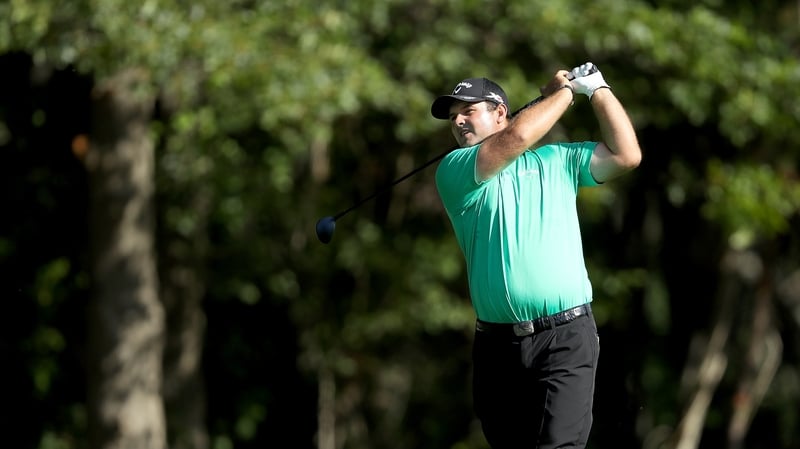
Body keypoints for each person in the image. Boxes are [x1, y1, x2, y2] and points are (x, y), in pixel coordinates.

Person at [430, 63, 642, 449]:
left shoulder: (557, 161)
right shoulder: (455, 169)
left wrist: (596, 89)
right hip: (497, 348)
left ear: (499, 112)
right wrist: (562, 93)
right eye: (452, 116)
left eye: (468, 110)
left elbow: (627, 154)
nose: (458, 120)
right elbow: (517, 137)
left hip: (566, 337)